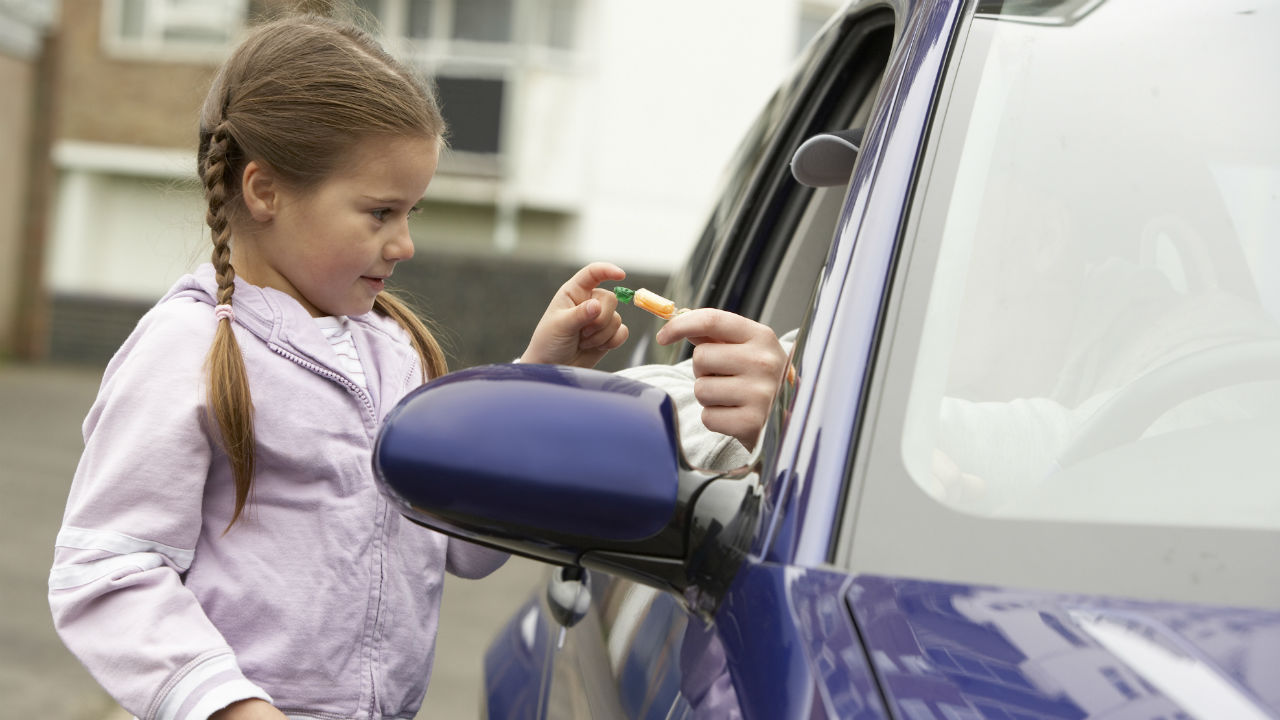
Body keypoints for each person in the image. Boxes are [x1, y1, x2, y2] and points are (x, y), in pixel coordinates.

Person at [47, 14, 627, 720]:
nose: (405, 243)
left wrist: (536, 380)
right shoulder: (185, 350)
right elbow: (108, 569)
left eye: (412, 211)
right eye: (380, 212)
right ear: (264, 192)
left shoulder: (396, 352)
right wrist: (228, 705)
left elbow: (464, 547)